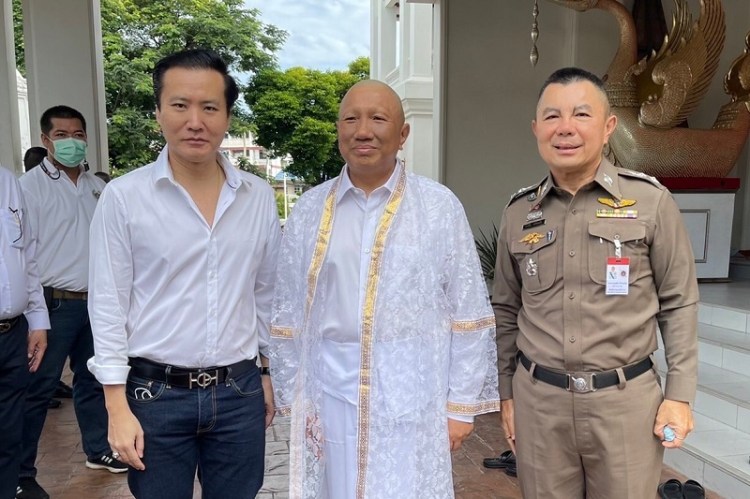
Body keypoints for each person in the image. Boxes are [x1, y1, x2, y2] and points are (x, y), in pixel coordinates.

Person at [270, 79, 500, 499]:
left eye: (378, 118)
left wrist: (461, 406)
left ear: (402, 133)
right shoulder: (310, 210)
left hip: (413, 392)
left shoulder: (438, 207)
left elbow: (468, 310)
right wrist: (294, 397)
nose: (363, 131)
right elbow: (287, 309)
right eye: (351, 119)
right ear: (338, 130)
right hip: (332, 392)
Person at [492, 67, 699, 499]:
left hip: (625, 405)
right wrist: (507, 392)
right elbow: (506, 309)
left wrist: (679, 395)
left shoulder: (650, 202)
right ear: (536, 129)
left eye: (581, 114)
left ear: (608, 128)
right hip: (539, 405)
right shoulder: (518, 213)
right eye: (552, 116)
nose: (565, 128)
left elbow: (679, 302)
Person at [87, 48, 280, 499]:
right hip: (155, 396)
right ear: (158, 112)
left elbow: (267, 293)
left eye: (209, 107)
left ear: (227, 116)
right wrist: (115, 406)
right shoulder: (125, 197)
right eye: (180, 105)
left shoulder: (257, 197)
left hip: (239, 393)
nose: (195, 121)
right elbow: (109, 303)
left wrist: (268, 373)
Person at [17, 106, 124, 499]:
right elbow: (22, 252)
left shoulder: (99, 187)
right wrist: (34, 313)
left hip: (97, 303)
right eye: (62, 135)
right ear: (45, 140)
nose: (72, 142)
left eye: (78, 135)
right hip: (54, 305)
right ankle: (20, 472)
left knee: (93, 380)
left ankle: (98, 450)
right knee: (38, 389)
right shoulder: (28, 187)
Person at [0, 166, 49, 499]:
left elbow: (26, 256)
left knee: (8, 436)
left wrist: (37, 319)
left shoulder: (7, 182)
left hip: (12, 333)